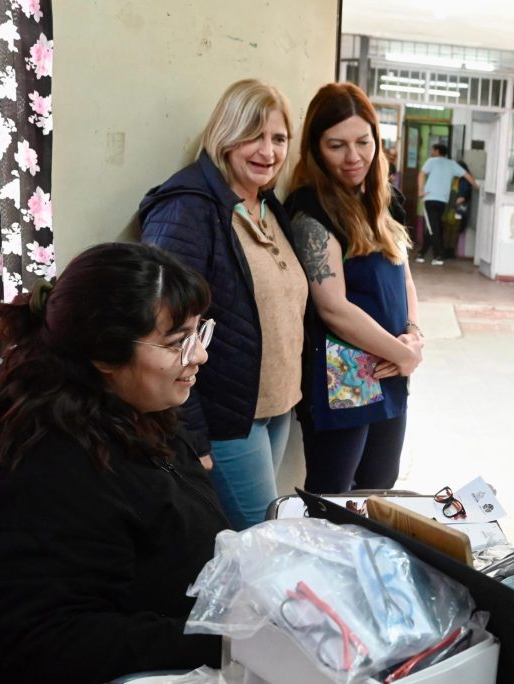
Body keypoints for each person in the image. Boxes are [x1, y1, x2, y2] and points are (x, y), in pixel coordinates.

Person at [0, 243, 228, 683]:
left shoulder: (139, 413)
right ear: (104, 355)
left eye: (200, 333)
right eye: (178, 341)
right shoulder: (46, 469)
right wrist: (221, 640)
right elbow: (46, 640)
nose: (198, 355)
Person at [140, 78, 306, 529]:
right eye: (253, 134)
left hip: (274, 408)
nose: (267, 151)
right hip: (226, 420)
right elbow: (162, 331)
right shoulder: (188, 207)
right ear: (225, 134)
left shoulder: (268, 206)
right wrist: (191, 432)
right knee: (261, 544)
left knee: (254, 542)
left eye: (278, 138)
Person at [285, 82, 424, 494]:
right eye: (336, 145)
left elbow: (406, 278)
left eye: (363, 141)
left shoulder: (386, 199)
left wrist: (414, 338)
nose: (354, 157)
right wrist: (402, 354)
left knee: (380, 487)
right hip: (342, 375)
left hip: (393, 368)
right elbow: (333, 309)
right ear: (315, 147)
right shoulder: (311, 207)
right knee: (334, 495)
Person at [416, 143, 478, 266]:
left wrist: (420, 190)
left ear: (437, 151)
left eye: (433, 150)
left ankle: (438, 256)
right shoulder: (452, 164)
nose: (432, 152)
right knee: (433, 226)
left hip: (430, 198)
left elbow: (421, 174)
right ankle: (421, 254)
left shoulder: (431, 161)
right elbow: (467, 176)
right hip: (443, 201)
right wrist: (478, 188)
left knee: (433, 227)